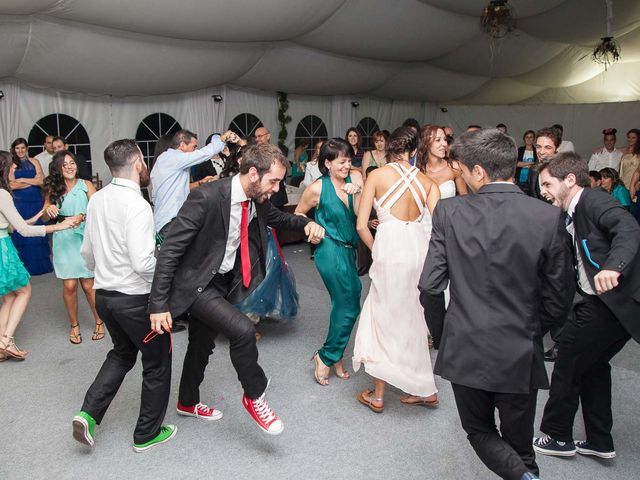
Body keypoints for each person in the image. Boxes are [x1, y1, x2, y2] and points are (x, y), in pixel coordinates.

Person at [419, 129, 574, 480]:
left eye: (462, 170)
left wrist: (445, 335)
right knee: (520, 445)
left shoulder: (448, 212)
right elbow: (560, 296)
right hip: (520, 346)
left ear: (479, 172)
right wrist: (533, 328)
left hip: (465, 343)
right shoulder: (547, 217)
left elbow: (429, 287)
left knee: (478, 431)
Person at [149, 143, 324, 435]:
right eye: (274, 181)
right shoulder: (206, 197)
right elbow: (169, 251)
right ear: (253, 173)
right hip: (194, 285)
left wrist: (304, 223)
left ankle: (187, 401)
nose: (277, 188)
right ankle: (254, 395)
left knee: (201, 345)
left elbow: (277, 218)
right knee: (242, 331)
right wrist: (157, 305)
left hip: (221, 281)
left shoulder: (256, 196)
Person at [534, 152, 640, 460]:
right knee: (593, 368)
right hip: (601, 304)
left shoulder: (593, 200)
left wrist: (613, 267)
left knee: (567, 363)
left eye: (548, 184)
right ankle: (599, 441)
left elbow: (629, 228)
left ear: (570, 180)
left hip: (607, 303)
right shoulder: (571, 212)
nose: (544, 191)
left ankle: (557, 436)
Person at [72, 139, 175, 452]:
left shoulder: (97, 199)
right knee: (158, 361)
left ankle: (88, 414)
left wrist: (104, 269)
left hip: (104, 296)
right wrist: (166, 280)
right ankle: (146, 433)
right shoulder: (138, 205)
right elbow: (144, 262)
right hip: (135, 300)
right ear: (139, 162)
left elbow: (86, 253)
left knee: (121, 353)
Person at [352, 126, 440, 413]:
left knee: (382, 315)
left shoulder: (376, 176)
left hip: (389, 249)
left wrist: (377, 247)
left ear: (389, 148)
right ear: (414, 151)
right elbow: (439, 227)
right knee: (414, 315)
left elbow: (362, 225)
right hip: (417, 250)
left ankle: (378, 395)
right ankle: (426, 389)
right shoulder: (428, 182)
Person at [295, 138, 363, 385]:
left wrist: (360, 191)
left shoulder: (355, 179)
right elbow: (298, 214)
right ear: (327, 163)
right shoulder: (316, 188)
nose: (347, 165)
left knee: (346, 302)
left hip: (349, 249)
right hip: (328, 250)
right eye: (342, 161)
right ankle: (326, 356)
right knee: (349, 305)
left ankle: (335, 356)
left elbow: (365, 207)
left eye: (349, 160)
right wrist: (310, 223)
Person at [0, 151, 76, 361]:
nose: (15, 168)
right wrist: (59, 226)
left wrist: (35, 218)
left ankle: (4, 343)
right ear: (4, 169)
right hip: (2, 247)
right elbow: (23, 231)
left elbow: (13, 226)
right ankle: (4, 341)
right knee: (24, 291)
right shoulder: (3, 193)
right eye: (11, 166)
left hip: (2, 239)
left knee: (8, 296)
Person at [41, 151, 103, 344]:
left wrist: (82, 217)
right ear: (58, 168)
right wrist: (49, 210)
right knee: (69, 285)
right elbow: (44, 217)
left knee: (87, 284)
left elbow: (98, 211)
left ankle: (99, 321)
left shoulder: (87, 185)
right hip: (63, 237)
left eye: (72, 163)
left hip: (84, 237)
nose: (69, 167)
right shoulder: (53, 188)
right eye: (64, 164)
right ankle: (74, 325)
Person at [416, 124, 467, 349]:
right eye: (437, 140)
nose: (443, 144)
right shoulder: (416, 170)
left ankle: (444, 331)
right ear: (426, 142)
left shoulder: (454, 168)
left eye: (445, 140)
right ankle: (422, 328)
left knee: (444, 283)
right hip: (419, 229)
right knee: (419, 279)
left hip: (447, 231)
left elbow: (466, 201)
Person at [151, 129, 237, 240]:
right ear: (182, 145)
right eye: (194, 147)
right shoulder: (174, 158)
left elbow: (176, 189)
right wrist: (221, 138)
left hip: (166, 220)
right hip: (170, 221)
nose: (195, 150)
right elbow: (203, 154)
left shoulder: (166, 160)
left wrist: (200, 183)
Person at [8, 138, 52, 275]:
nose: (20, 151)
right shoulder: (11, 164)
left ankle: (38, 266)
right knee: (21, 228)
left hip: (35, 200)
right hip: (19, 201)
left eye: (22, 148)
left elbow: (41, 181)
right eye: (17, 148)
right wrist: (32, 182)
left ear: (27, 148)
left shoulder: (34, 161)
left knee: (36, 227)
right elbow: (11, 185)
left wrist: (22, 179)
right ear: (14, 150)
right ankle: (22, 267)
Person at [516, 130, 538, 195]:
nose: (528, 139)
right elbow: (516, 164)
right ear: (524, 139)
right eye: (527, 137)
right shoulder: (520, 150)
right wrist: (531, 163)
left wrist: (522, 164)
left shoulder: (536, 151)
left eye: (531, 137)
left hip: (532, 180)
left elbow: (537, 165)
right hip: (520, 179)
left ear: (534, 139)